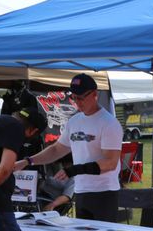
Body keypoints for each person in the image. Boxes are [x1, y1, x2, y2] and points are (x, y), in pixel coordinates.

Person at [15, 74, 122, 221]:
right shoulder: (74, 121)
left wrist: (73, 170)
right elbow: (56, 149)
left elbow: (110, 162)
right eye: (74, 97)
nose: (77, 102)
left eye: (81, 97)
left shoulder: (109, 123)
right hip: (81, 192)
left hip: (104, 192)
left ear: (95, 94)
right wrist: (28, 161)